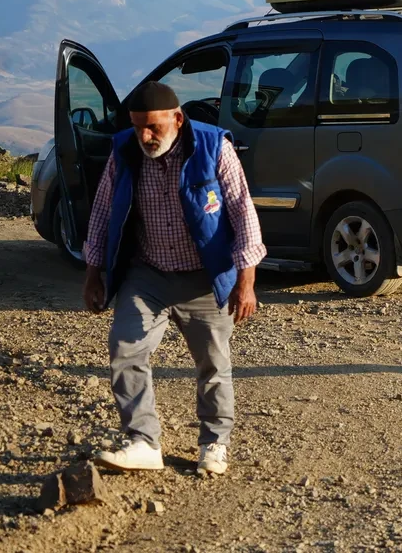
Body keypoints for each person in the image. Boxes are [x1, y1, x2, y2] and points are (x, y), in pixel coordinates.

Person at [82, 81, 266, 475]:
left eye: (153, 127)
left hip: (204, 277)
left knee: (213, 365)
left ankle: (214, 444)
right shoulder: (125, 152)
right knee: (125, 348)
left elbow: (242, 214)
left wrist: (245, 282)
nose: (146, 137)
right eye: (138, 127)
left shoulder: (215, 149)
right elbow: (100, 215)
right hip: (147, 274)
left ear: (177, 119)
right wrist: (93, 272)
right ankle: (143, 441)